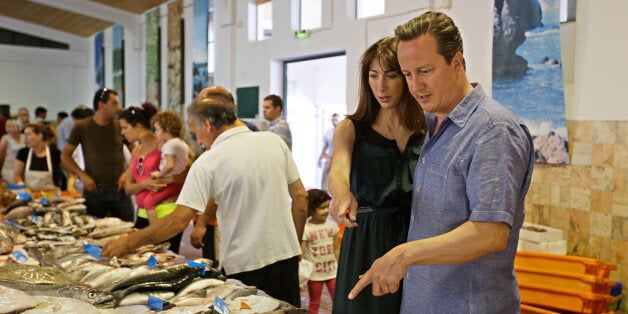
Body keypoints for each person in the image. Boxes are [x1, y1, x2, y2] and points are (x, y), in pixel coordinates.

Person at [347, 12, 535, 313]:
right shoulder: (431, 124)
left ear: (457, 62)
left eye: (425, 71)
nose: (415, 86)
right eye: (407, 74)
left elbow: (490, 233)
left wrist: (404, 254)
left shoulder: (493, 130)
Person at [102, 97, 308, 307]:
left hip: (245, 263)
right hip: (287, 256)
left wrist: (129, 242)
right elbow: (301, 198)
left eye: (194, 131)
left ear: (207, 125)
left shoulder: (208, 161)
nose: (197, 139)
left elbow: (178, 221)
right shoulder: (273, 141)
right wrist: (296, 244)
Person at [328, 36, 426, 314]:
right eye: (373, 76)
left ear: (407, 77)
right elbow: (338, 171)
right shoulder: (351, 127)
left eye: (391, 76)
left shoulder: (426, 130)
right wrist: (342, 192)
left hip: (416, 235)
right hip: (369, 237)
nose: (380, 86)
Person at [118, 104, 184, 253]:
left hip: (166, 214)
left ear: (138, 126)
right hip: (143, 213)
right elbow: (128, 188)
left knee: (164, 263)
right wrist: (145, 184)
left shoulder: (164, 145)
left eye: (124, 127)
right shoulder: (136, 150)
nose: (122, 132)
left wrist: (168, 181)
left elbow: (188, 171)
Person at [61, 88, 134, 221]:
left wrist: (126, 174)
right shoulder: (82, 127)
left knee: (128, 229)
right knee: (92, 230)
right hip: (94, 191)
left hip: (120, 189)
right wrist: (82, 176)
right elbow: (65, 155)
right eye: (114, 103)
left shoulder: (119, 126)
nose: (119, 107)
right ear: (101, 105)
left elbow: (136, 152)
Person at [146, 110, 189, 220]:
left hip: (171, 182)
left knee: (148, 202)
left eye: (157, 130)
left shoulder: (168, 145)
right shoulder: (181, 142)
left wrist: (160, 174)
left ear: (166, 130)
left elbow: (170, 165)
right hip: (179, 183)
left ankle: (154, 232)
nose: (155, 133)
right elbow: (190, 157)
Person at [301, 189, 339, 314]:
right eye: (322, 208)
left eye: (327, 207)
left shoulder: (332, 226)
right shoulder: (307, 228)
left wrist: (340, 268)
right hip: (314, 275)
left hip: (332, 272)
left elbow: (336, 248)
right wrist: (301, 276)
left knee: (338, 300)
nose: (327, 211)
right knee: (314, 303)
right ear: (311, 209)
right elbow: (302, 255)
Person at [14, 123, 67, 191]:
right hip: (29, 196)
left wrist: (71, 185)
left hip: (51, 196)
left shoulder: (55, 153)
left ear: (39, 136)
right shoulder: (23, 153)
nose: (25, 138)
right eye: (25, 135)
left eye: (28, 134)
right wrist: (23, 187)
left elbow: (71, 172)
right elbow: (16, 175)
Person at [317, 113, 339, 191]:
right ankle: (325, 201)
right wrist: (320, 158)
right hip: (328, 158)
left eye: (336, 119)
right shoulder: (329, 131)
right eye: (333, 119)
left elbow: (338, 148)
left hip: (337, 160)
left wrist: (330, 162)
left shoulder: (341, 132)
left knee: (333, 183)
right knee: (324, 182)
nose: (334, 121)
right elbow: (326, 145)